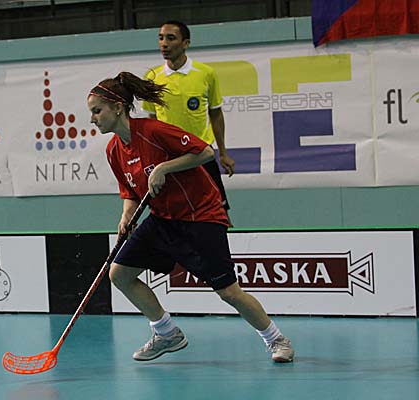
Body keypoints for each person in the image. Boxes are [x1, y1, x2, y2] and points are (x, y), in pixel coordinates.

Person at [87, 71, 294, 363]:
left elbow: (205, 152)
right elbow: (130, 192)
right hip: (163, 219)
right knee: (119, 274)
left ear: (118, 108)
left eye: (97, 111)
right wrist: (126, 217)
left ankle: (277, 340)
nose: (93, 119)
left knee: (228, 292)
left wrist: (164, 168)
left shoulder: (153, 131)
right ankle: (166, 333)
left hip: (200, 217)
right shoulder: (113, 151)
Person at [142, 20, 235, 226]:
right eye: (161, 38)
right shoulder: (152, 78)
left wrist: (223, 153)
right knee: (170, 214)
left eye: (171, 38)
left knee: (220, 214)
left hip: (200, 154)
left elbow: (216, 114)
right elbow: (151, 122)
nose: (164, 44)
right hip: (169, 159)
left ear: (186, 43)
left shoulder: (205, 74)